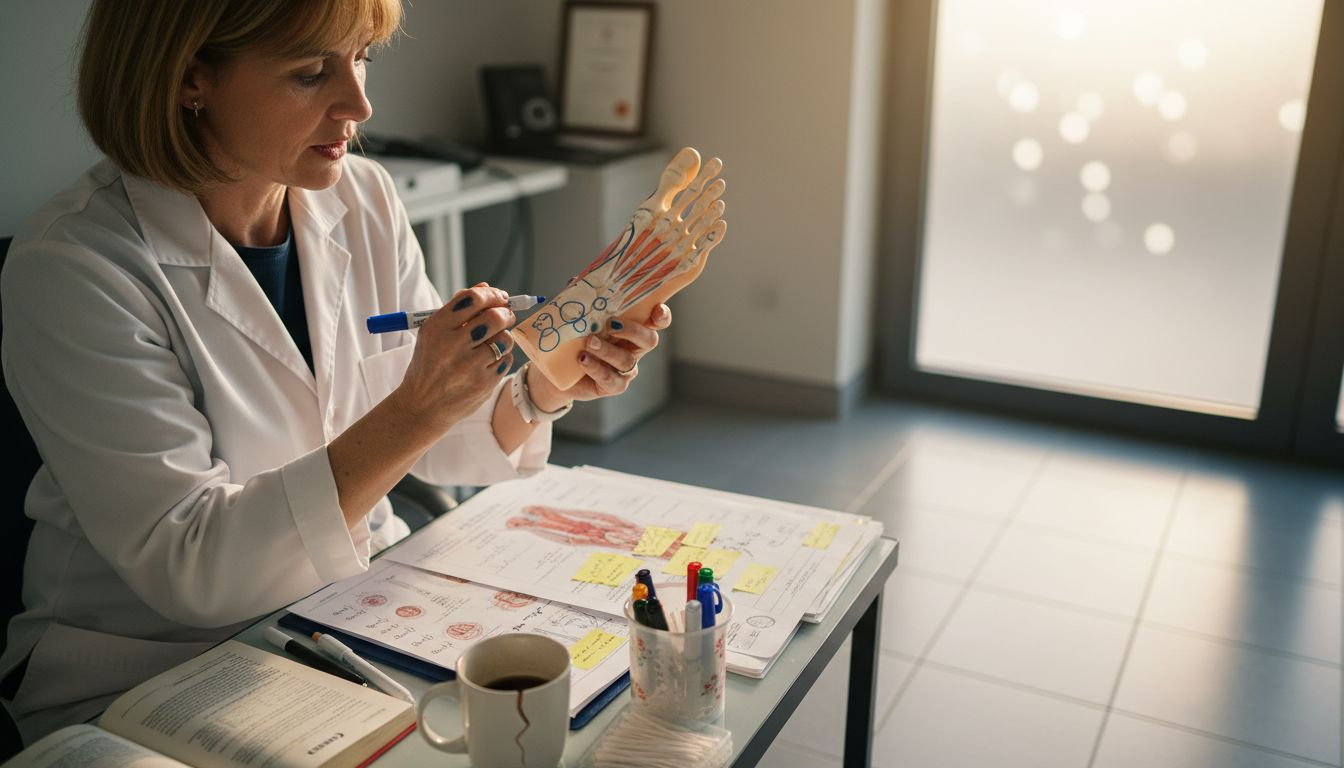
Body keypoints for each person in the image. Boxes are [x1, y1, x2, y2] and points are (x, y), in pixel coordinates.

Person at [0, 0, 670, 744]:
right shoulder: (74, 267)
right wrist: (416, 409)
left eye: (362, 59)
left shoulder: (361, 195)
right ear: (190, 80)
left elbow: (427, 437)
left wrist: (544, 385)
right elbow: (191, 567)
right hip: (149, 671)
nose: (359, 103)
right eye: (312, 72)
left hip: (344, 618)